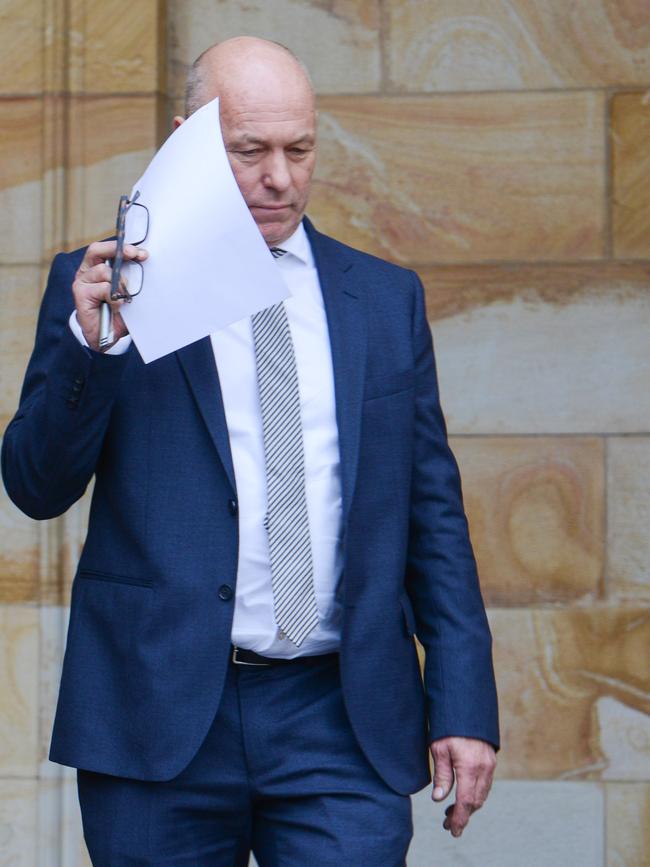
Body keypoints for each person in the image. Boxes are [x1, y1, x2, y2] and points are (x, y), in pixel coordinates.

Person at [2, 36, 498, 866]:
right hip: (156, 714)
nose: (281, 178)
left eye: (299, 149)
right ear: (187, 142)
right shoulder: (112, 287)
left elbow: (432, 515)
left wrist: (464, 701)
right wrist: (97, 351)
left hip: (341, 714)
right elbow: (36, 484)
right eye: (250, 151)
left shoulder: (383, 299)